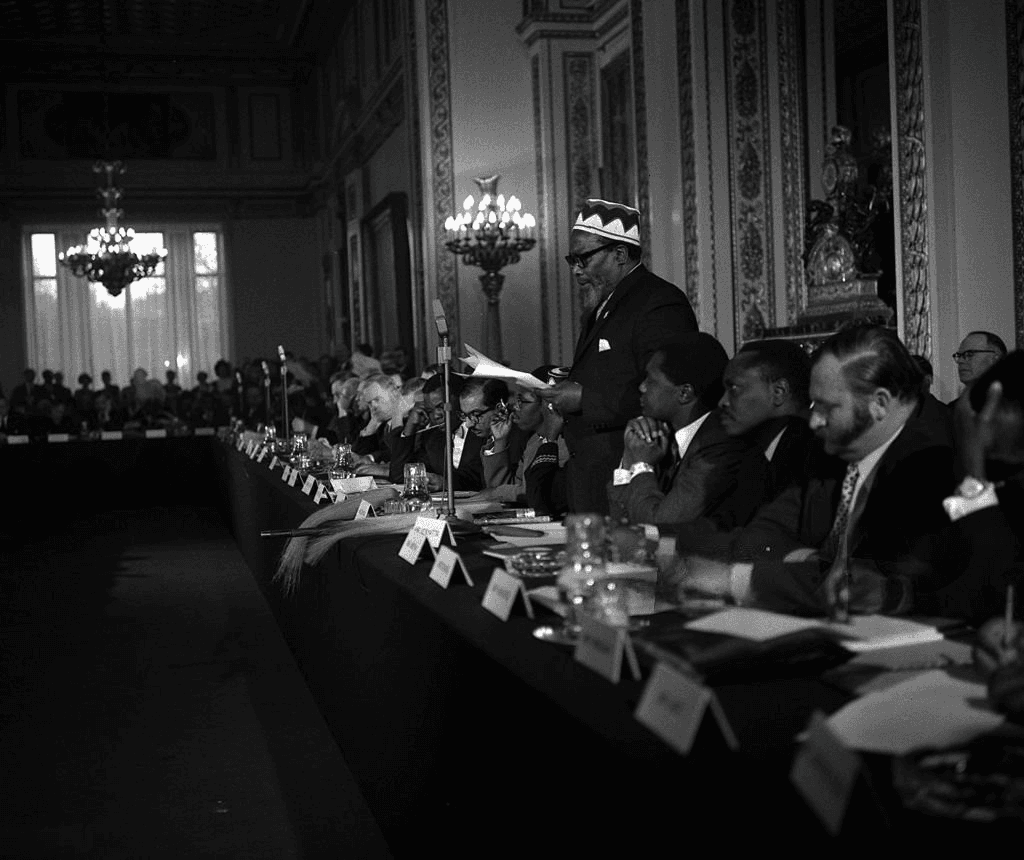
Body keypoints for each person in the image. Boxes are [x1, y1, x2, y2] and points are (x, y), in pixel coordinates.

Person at [671, 323, 955, 617]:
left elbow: (870, 582)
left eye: (825, 407)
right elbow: (760, 534)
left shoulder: (932, 464)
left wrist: (737, 580)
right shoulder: (830, 449)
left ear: (879, 403)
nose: (814, 420)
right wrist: (808, 560)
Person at [537, 198, 698, 514]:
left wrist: (585, 398)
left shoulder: (658, 302)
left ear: (620, 254)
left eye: (583, 258)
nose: (576, 269)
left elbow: (668, 390)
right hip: (592, 468)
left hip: (627, 465)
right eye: (572, 259)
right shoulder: (601, 307)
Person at [606, 334, 747, 527]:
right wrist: (629, 459)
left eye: (651, 380)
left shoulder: (718, 444)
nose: (642, 387)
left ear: (684, 393)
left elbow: (661, 524)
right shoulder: (663, 437)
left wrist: (641, 466)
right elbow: (620, 520)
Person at [706, 339, 815, 528]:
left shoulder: (814, 453)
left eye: (734, 389)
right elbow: (724, 524)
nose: (722, 402)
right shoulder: (756, 451)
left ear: (779, 392)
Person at [477, 366, 570, 503]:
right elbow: (510, 488)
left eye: (523, 401)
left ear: (547, 405)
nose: (515, 407)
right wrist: (500, 441)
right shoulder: (534, 441)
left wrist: (497, 493)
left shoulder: (565, 442)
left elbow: (538, 491)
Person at [950, 330, 1007, 406]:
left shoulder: (1016, 405)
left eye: (969, 354)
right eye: (959, 355)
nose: (960, 361)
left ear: (995, 358)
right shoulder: (952, 409)